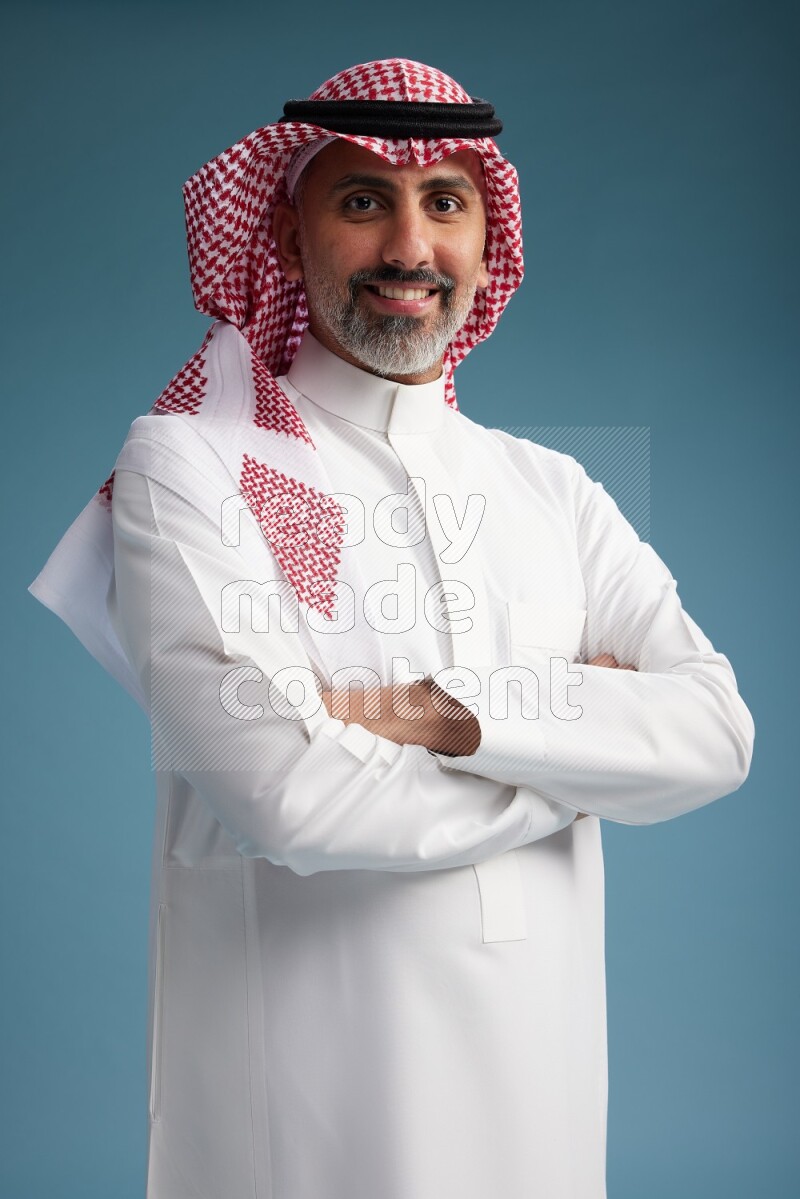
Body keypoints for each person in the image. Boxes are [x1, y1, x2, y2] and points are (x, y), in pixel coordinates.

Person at [28, 58, 754, 1199]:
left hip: (543, 1096)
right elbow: (284, 795)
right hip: (304, 1107)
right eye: (364, 201)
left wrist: (440, 717)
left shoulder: (552, 488)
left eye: (444, 203)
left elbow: (716, 731)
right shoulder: (190, 463)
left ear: (486, 240)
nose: (410, 248)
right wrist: (585, 759)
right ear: (286, 233)